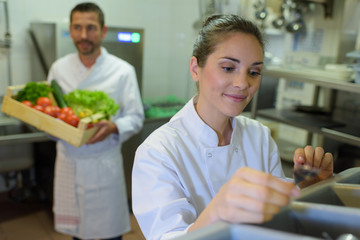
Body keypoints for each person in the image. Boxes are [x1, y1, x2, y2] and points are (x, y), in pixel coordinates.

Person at [132, 14, 333, 240]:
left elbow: (277, 218)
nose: (242, 83)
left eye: (254, 72)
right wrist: (218, 212)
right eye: (228, 68)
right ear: (195, 68)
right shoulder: (159, 152)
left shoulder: (259, 135)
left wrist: (306, 187)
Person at [46, 2, 144, 240]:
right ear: (70, 30)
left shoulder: (122, 71)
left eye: (90, 28)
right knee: (77, 234)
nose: (83, 35)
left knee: (109, 234)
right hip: (70, 162)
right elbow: (50, 113)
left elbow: (136, 117)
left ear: (102, 30)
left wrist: (114, 127)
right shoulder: (59, 69)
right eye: (77, 28)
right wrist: (54, 127)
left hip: (103, 164)